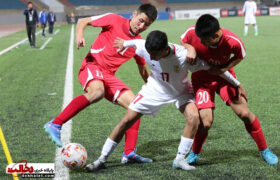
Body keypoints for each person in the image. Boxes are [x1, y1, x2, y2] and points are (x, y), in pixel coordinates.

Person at [85, 30, 244, 172]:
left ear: (165, 49)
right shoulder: (145, 47)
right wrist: (124, 43)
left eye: (154, 54)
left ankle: (180, 159)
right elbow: (135, 43)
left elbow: (214, 70)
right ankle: (102, 159)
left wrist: (237, 84)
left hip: (180, 91)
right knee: (127, 120)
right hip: (154, 89)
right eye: (149, 53)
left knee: (194, 118)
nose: (151, 57)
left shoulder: (183, 56)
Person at [44, 4, 158, 164]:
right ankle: (55, 124)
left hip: (109, 76)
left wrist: (153, 88)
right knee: (97, 92)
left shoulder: (138, 43)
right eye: (141, 21)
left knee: (136, 107)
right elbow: (83, 21)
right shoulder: (114, 20)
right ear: (134, 14)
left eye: (147, 24)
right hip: (92, 66)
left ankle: (129, 153)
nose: (142, 26)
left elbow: (143, 69)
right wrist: (79, 36)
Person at [180, 14, 278, 165]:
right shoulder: (194, 32)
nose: (201, 42)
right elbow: (183, 39)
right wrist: (190, 47)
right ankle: (195, 152)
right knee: (205, 123)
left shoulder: (232, 41)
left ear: (216, 35)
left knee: (244, 113)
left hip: (224, 78)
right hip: (201, 80)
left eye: (204, 40)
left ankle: (264, 150)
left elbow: (240, 55)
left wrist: (224, 69)